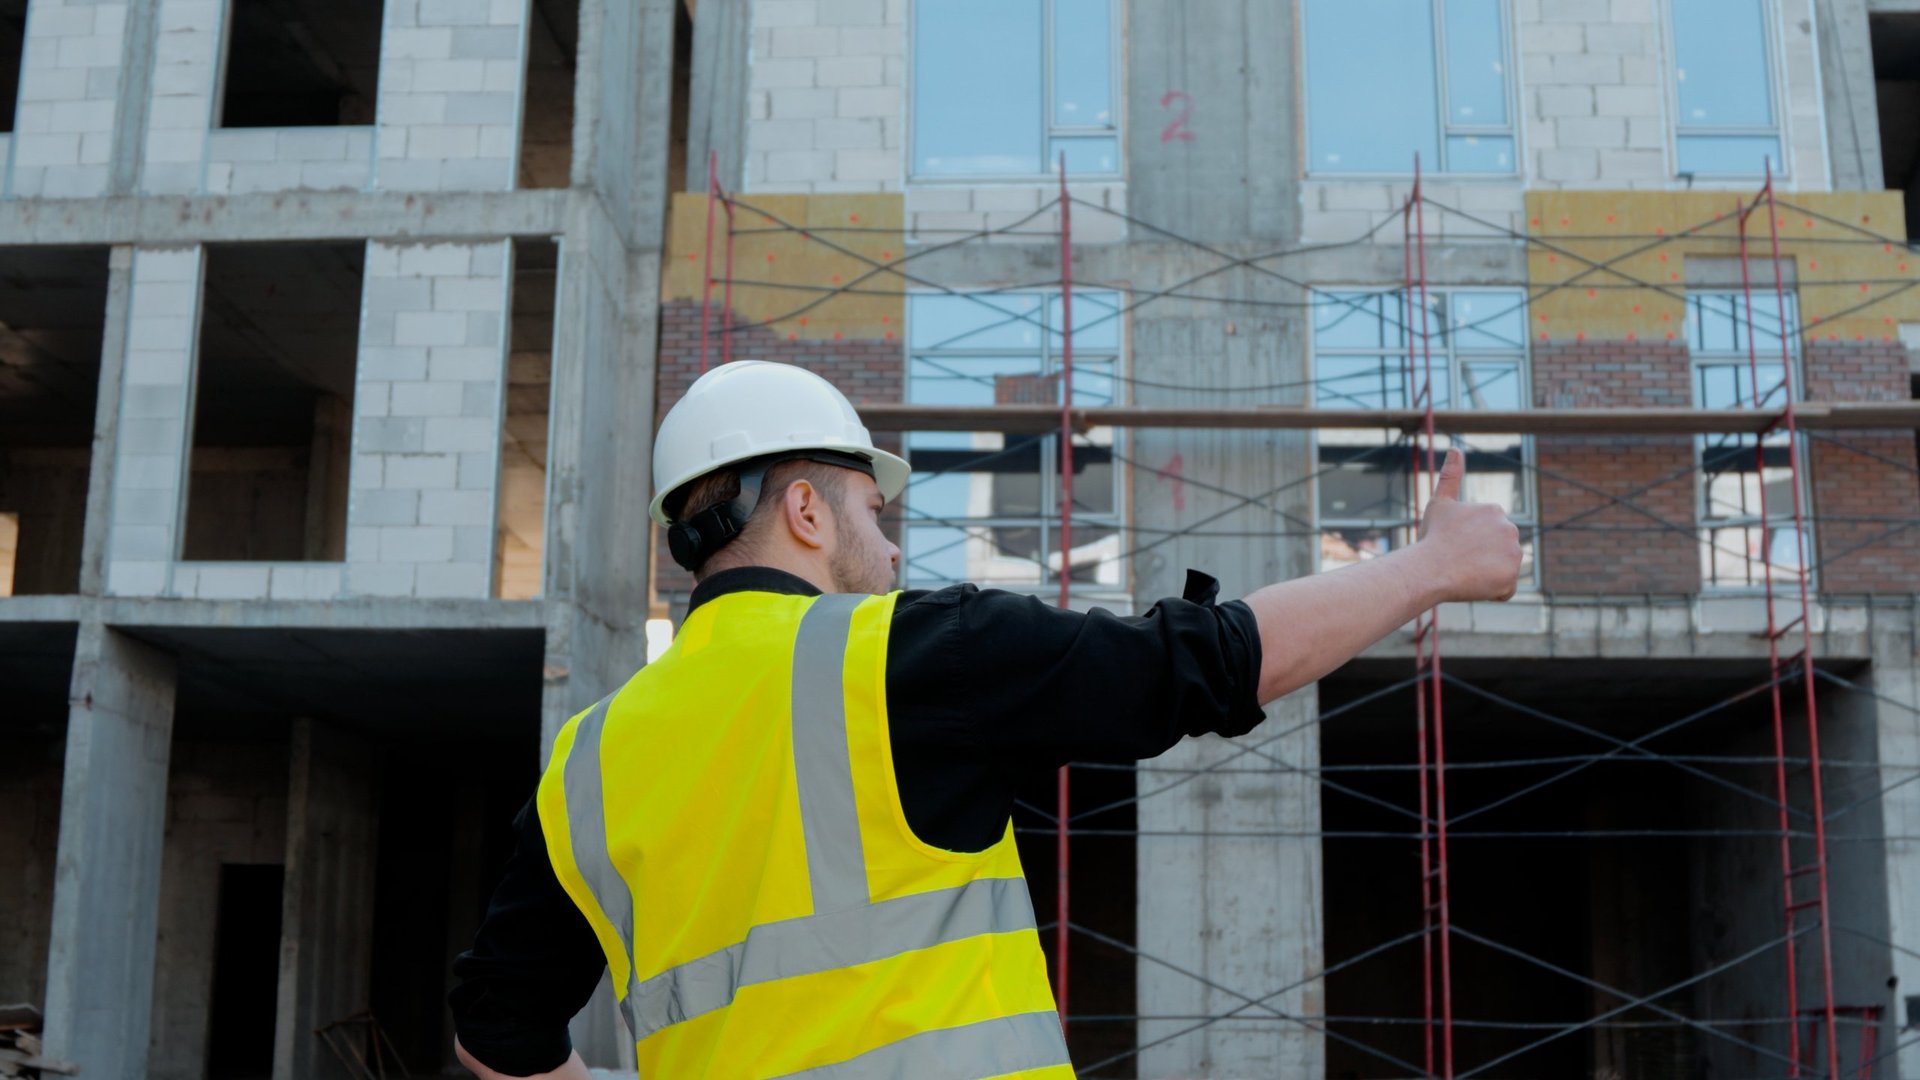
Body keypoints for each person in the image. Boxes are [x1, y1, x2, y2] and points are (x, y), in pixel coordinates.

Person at [450, 360, 1522, 1079]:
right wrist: (1437, 564)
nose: (891, 542)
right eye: (875, 509)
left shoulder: (587, 761)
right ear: (807, 510)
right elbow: (1209, 663)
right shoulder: (911, 655)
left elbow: (495, 1033)